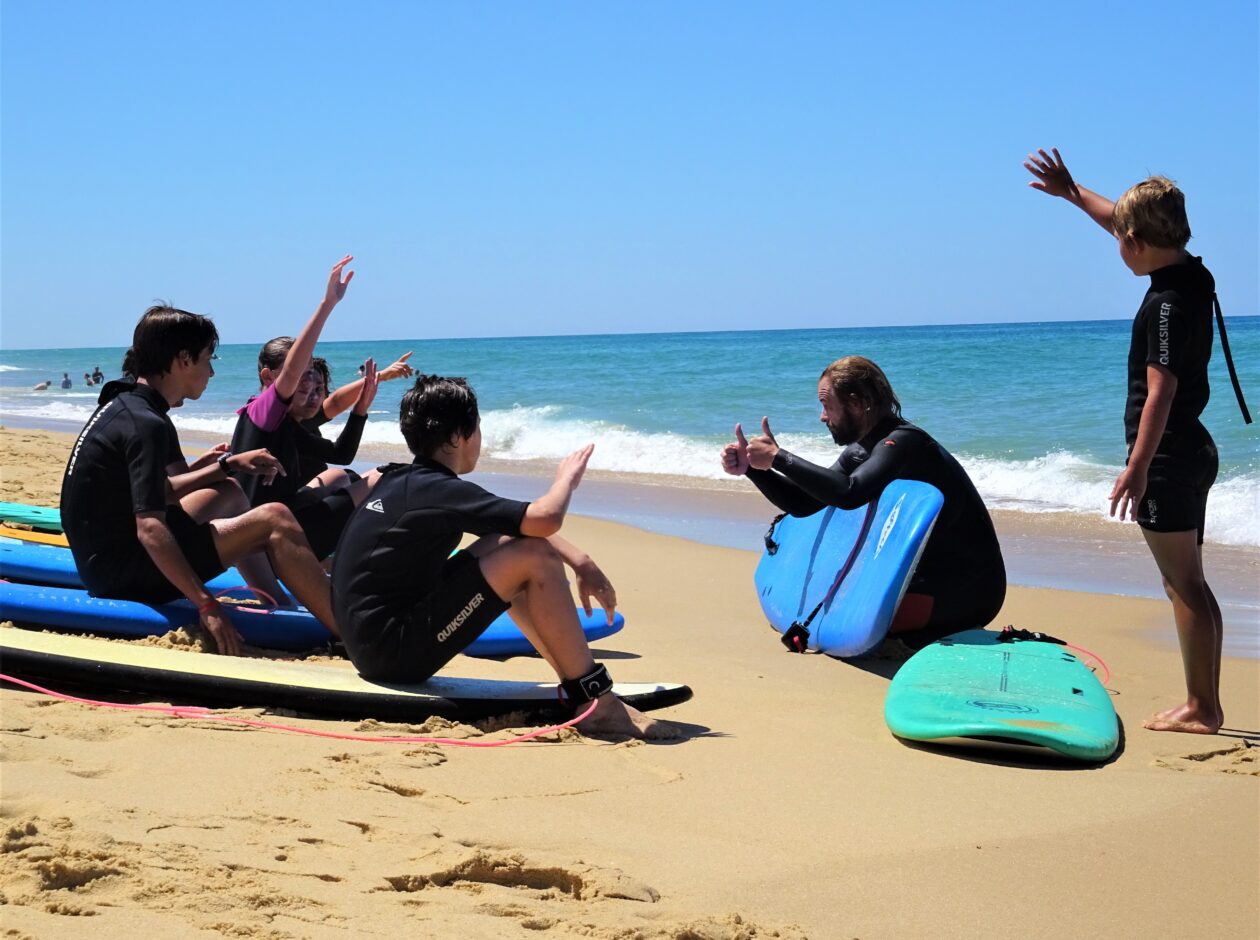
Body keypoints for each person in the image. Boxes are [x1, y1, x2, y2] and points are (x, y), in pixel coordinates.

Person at [1025, 148, 1245, 735]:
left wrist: (1138, 466)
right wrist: (1074, 192)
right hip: (1193, 450)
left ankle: (1202, 708)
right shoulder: (1191, 273)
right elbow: (1125, 225)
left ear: (1136, 241)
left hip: (1167, 458)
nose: (1116, 245)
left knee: (1183, 585)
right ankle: (1204, 701)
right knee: (1190, 582)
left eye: (1120, 239)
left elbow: (1160, 392)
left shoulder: (1166, 304)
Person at [331, 374, 679, 740]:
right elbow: (545, 518)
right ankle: (597, 702)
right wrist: (566, 479)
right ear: (458, 436)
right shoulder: (438, 491)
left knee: (515, 545)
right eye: (478, 427)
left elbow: (516, 528)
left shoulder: (405, 481)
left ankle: (580, 689)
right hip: (393, 655)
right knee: (533, 556)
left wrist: (581, 560)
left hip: (371, 645)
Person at [60, 304, 340, 656]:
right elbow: (150, 527)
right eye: (208, 359)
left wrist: (225, 466)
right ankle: (348, 632)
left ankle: (280, 603)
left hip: (103, 560)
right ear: (183, 360)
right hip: (124, 574)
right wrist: (206, 603)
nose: (211, 371)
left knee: (230, 493)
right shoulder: (147, 424)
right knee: (276, 518)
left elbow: (159, 491)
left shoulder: (127, 402)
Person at [721, 356, 1006, 649]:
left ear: (857, 403)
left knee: (862, 622)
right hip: (918, 578)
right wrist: (754, 470)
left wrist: (779, 458)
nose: (822, 416)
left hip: (968, 590)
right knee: (849, 616)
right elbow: (805, 503)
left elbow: (850, 493)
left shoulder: (906, 442)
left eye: (827, 405)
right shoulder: (861, 450)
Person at [229, 255, 381, 560]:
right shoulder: (260, 413)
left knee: (342, 476)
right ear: (268, 377)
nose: (306, 381)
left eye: (310, 373)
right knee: (380, 478)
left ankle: (343, 559)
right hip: (265, 543)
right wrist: (327, 305)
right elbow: (292, 374)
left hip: (273, 533)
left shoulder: (284, 424)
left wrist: (361, 409)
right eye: (299, 373)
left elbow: (340, 454)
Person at [293, 351, 415, 489]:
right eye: (305, 388)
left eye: (319, 388)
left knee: (388, 473)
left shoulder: (301, 425)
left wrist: (364, 402)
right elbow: (336, 403)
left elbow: (341, 454)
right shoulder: (285, 424)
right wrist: (380, 377)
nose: (313, 397)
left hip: (316, 491)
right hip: (305, 498)